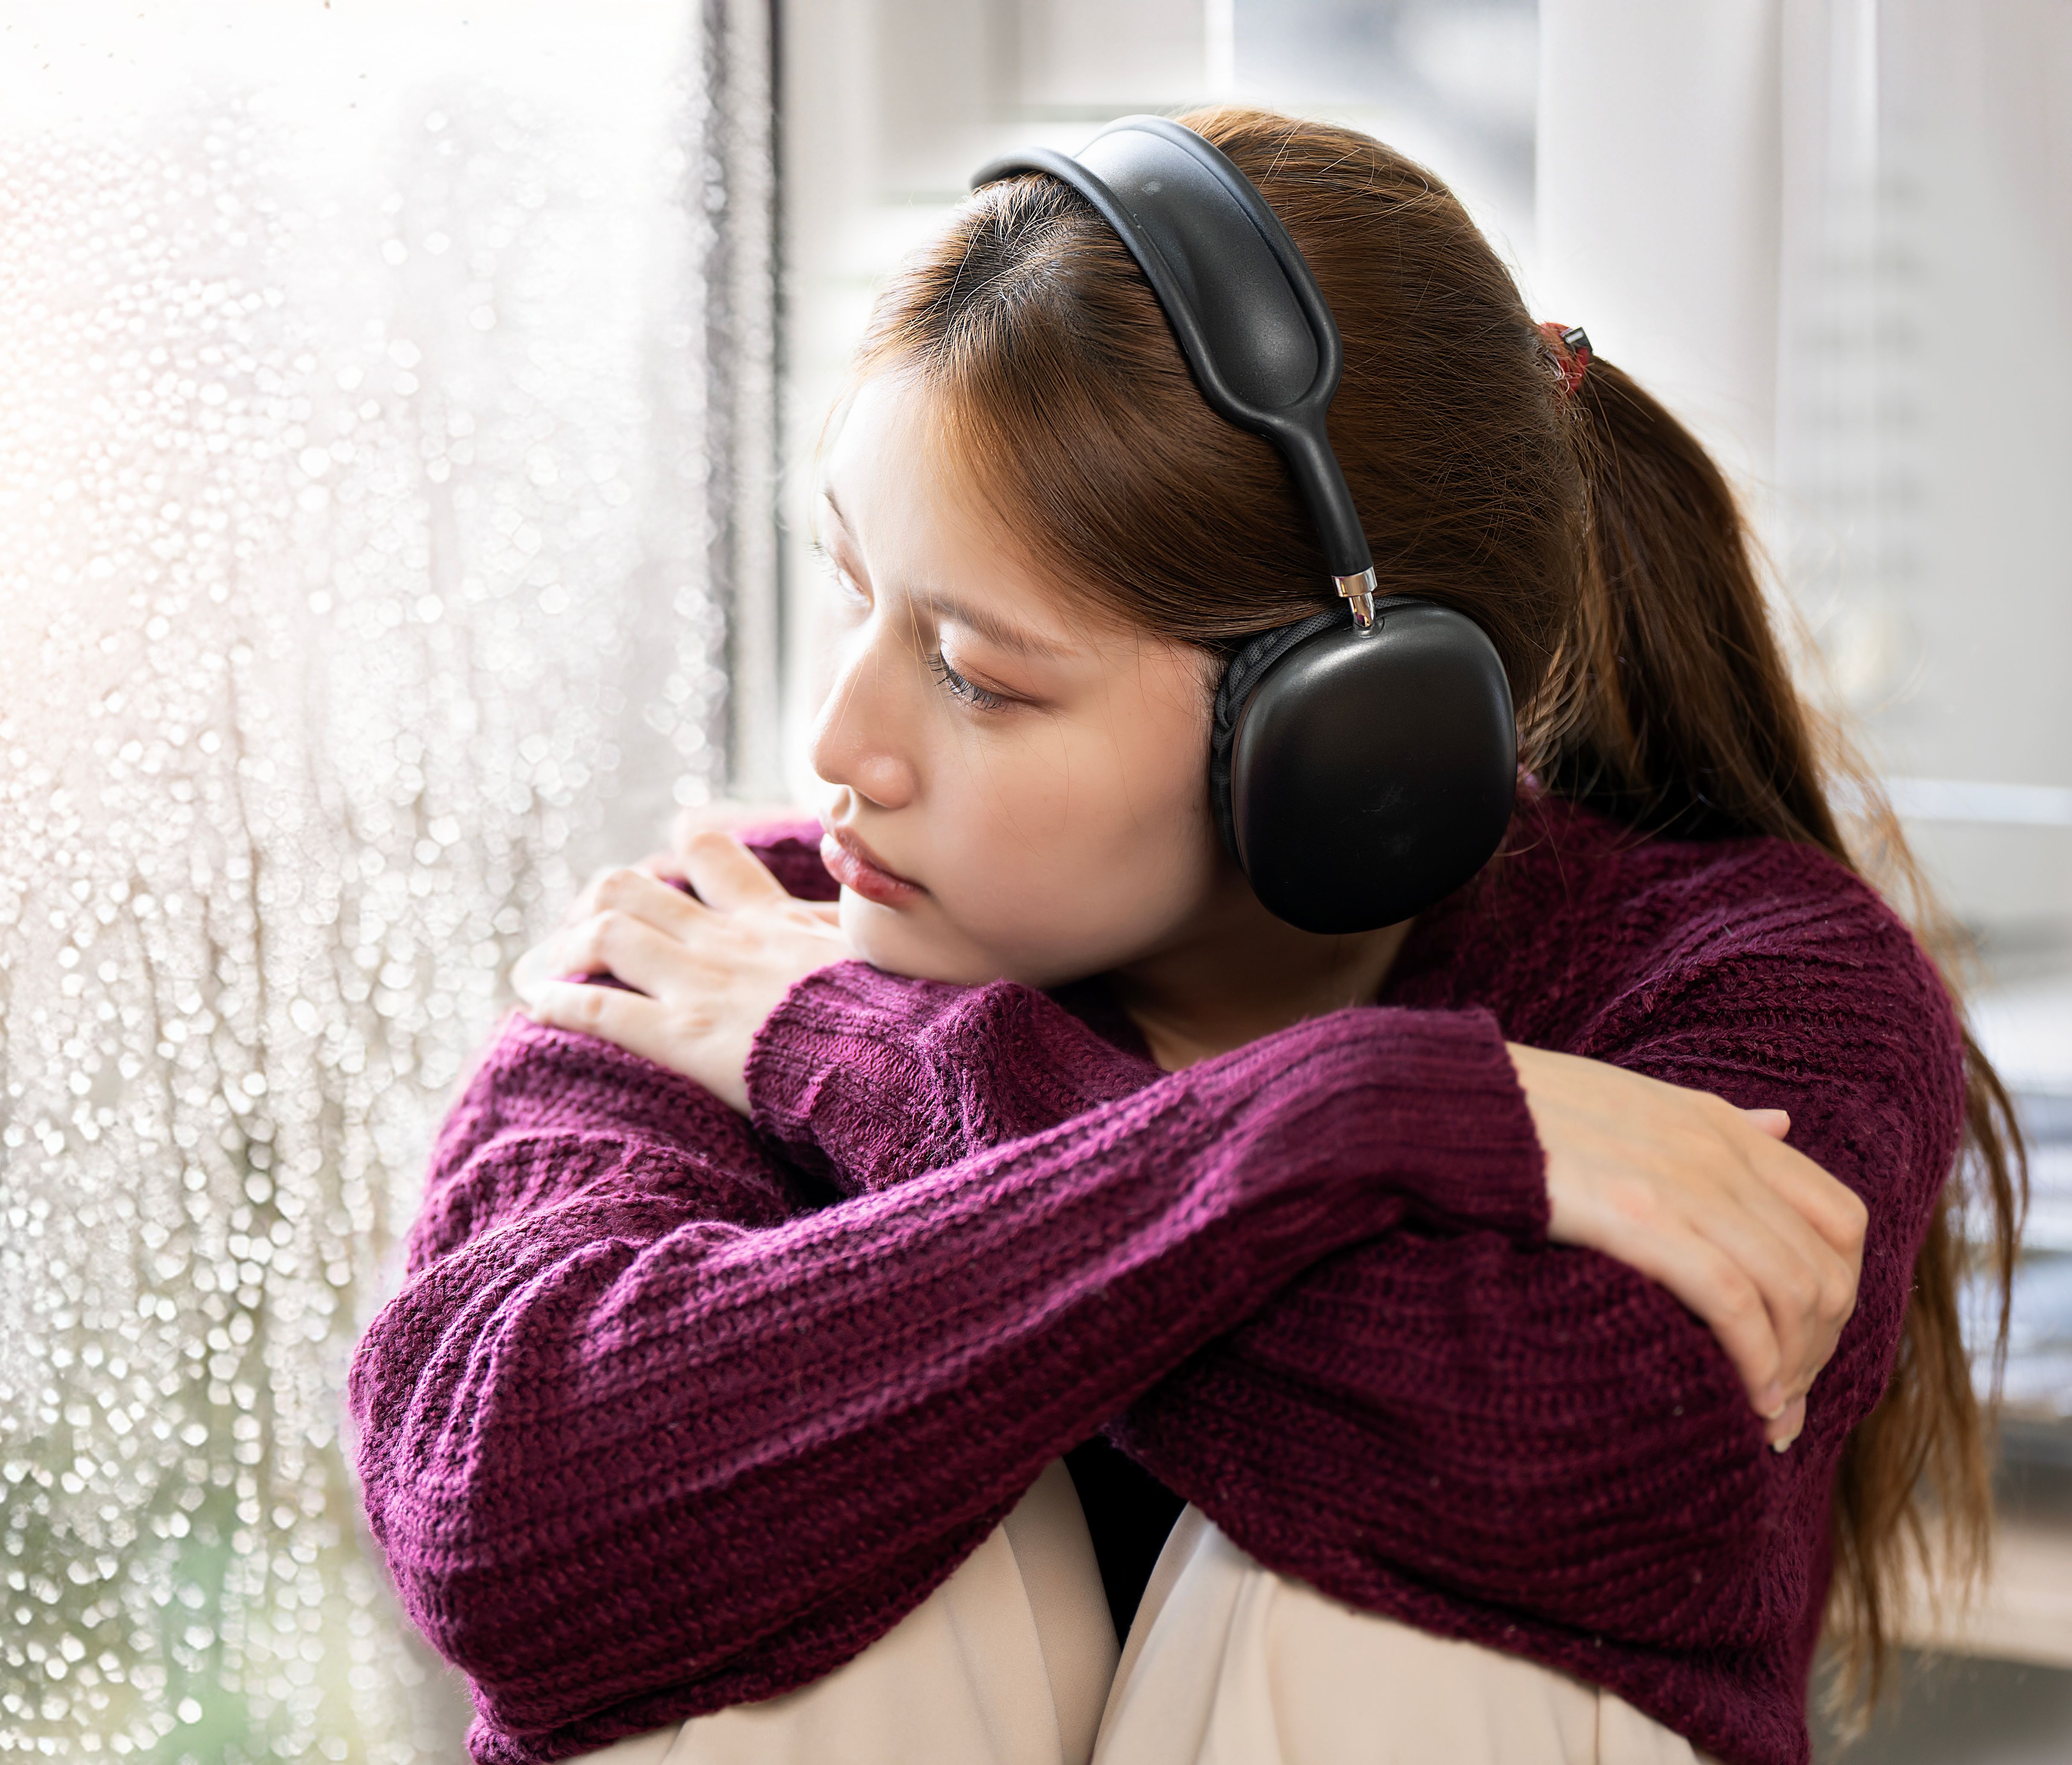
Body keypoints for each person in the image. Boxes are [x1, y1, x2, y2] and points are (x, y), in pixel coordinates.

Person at [349, 109, 2023, 1765]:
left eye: (980, 673)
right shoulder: (728, 951)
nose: (842, 746)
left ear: (1349, 741)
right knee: (781, 1569)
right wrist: (1351, 1120)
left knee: (1392, 1617)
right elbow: (503, 1514)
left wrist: (917, 1069)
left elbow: (1594, 1463)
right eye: (855, 591)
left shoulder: (1744, 985)